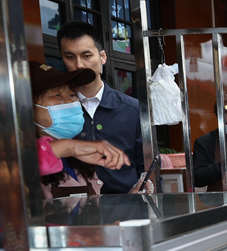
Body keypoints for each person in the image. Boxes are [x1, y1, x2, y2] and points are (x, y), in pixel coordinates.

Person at [57, 20, 144, 194]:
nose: (79, 65)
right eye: (70, 57)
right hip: (76, 211)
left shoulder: (132, 109)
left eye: (86, 56)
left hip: (127, 211)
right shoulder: (56, 109)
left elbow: (147, 169)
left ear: (102, 57)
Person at [30, 61, 131, 199]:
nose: (71, 101)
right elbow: (23, 165)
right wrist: (70, 147)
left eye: (72, 95)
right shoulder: (15, 158)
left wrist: (131, 199)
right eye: (57, 95)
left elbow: (90, 212)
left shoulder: (80, 160)